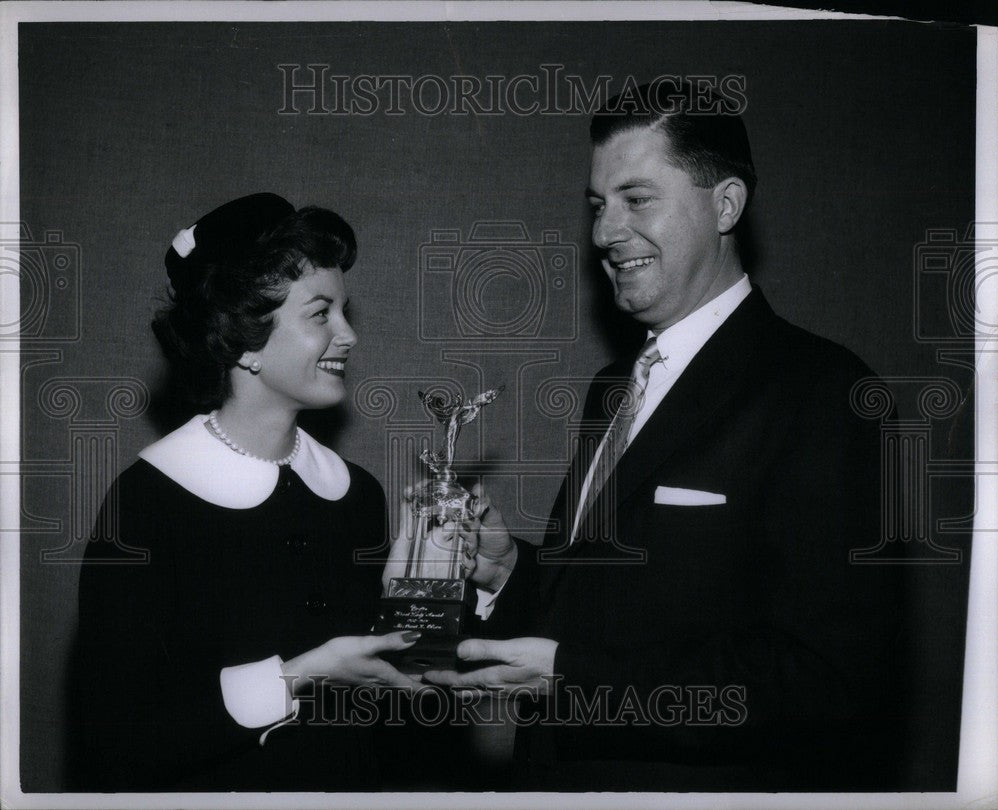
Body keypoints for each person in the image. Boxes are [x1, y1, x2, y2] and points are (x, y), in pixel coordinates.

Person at [425, 83, 906, 791]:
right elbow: (608, 609)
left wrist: (571, 678)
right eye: (597, 206)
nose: (603, 233)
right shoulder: (613, 387)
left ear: (726, 205)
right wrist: (508, 572)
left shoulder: (826, 395)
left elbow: (825, 685)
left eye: (637, 199)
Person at [70, 193, 423, 791]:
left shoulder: (357, 493)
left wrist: (423, 589)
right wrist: (299, 675)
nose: (349, 335)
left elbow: (381, 706)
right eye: (321, 314)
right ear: (245, 340)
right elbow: (117, 742)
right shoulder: (147, 502)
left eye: (344, 311)